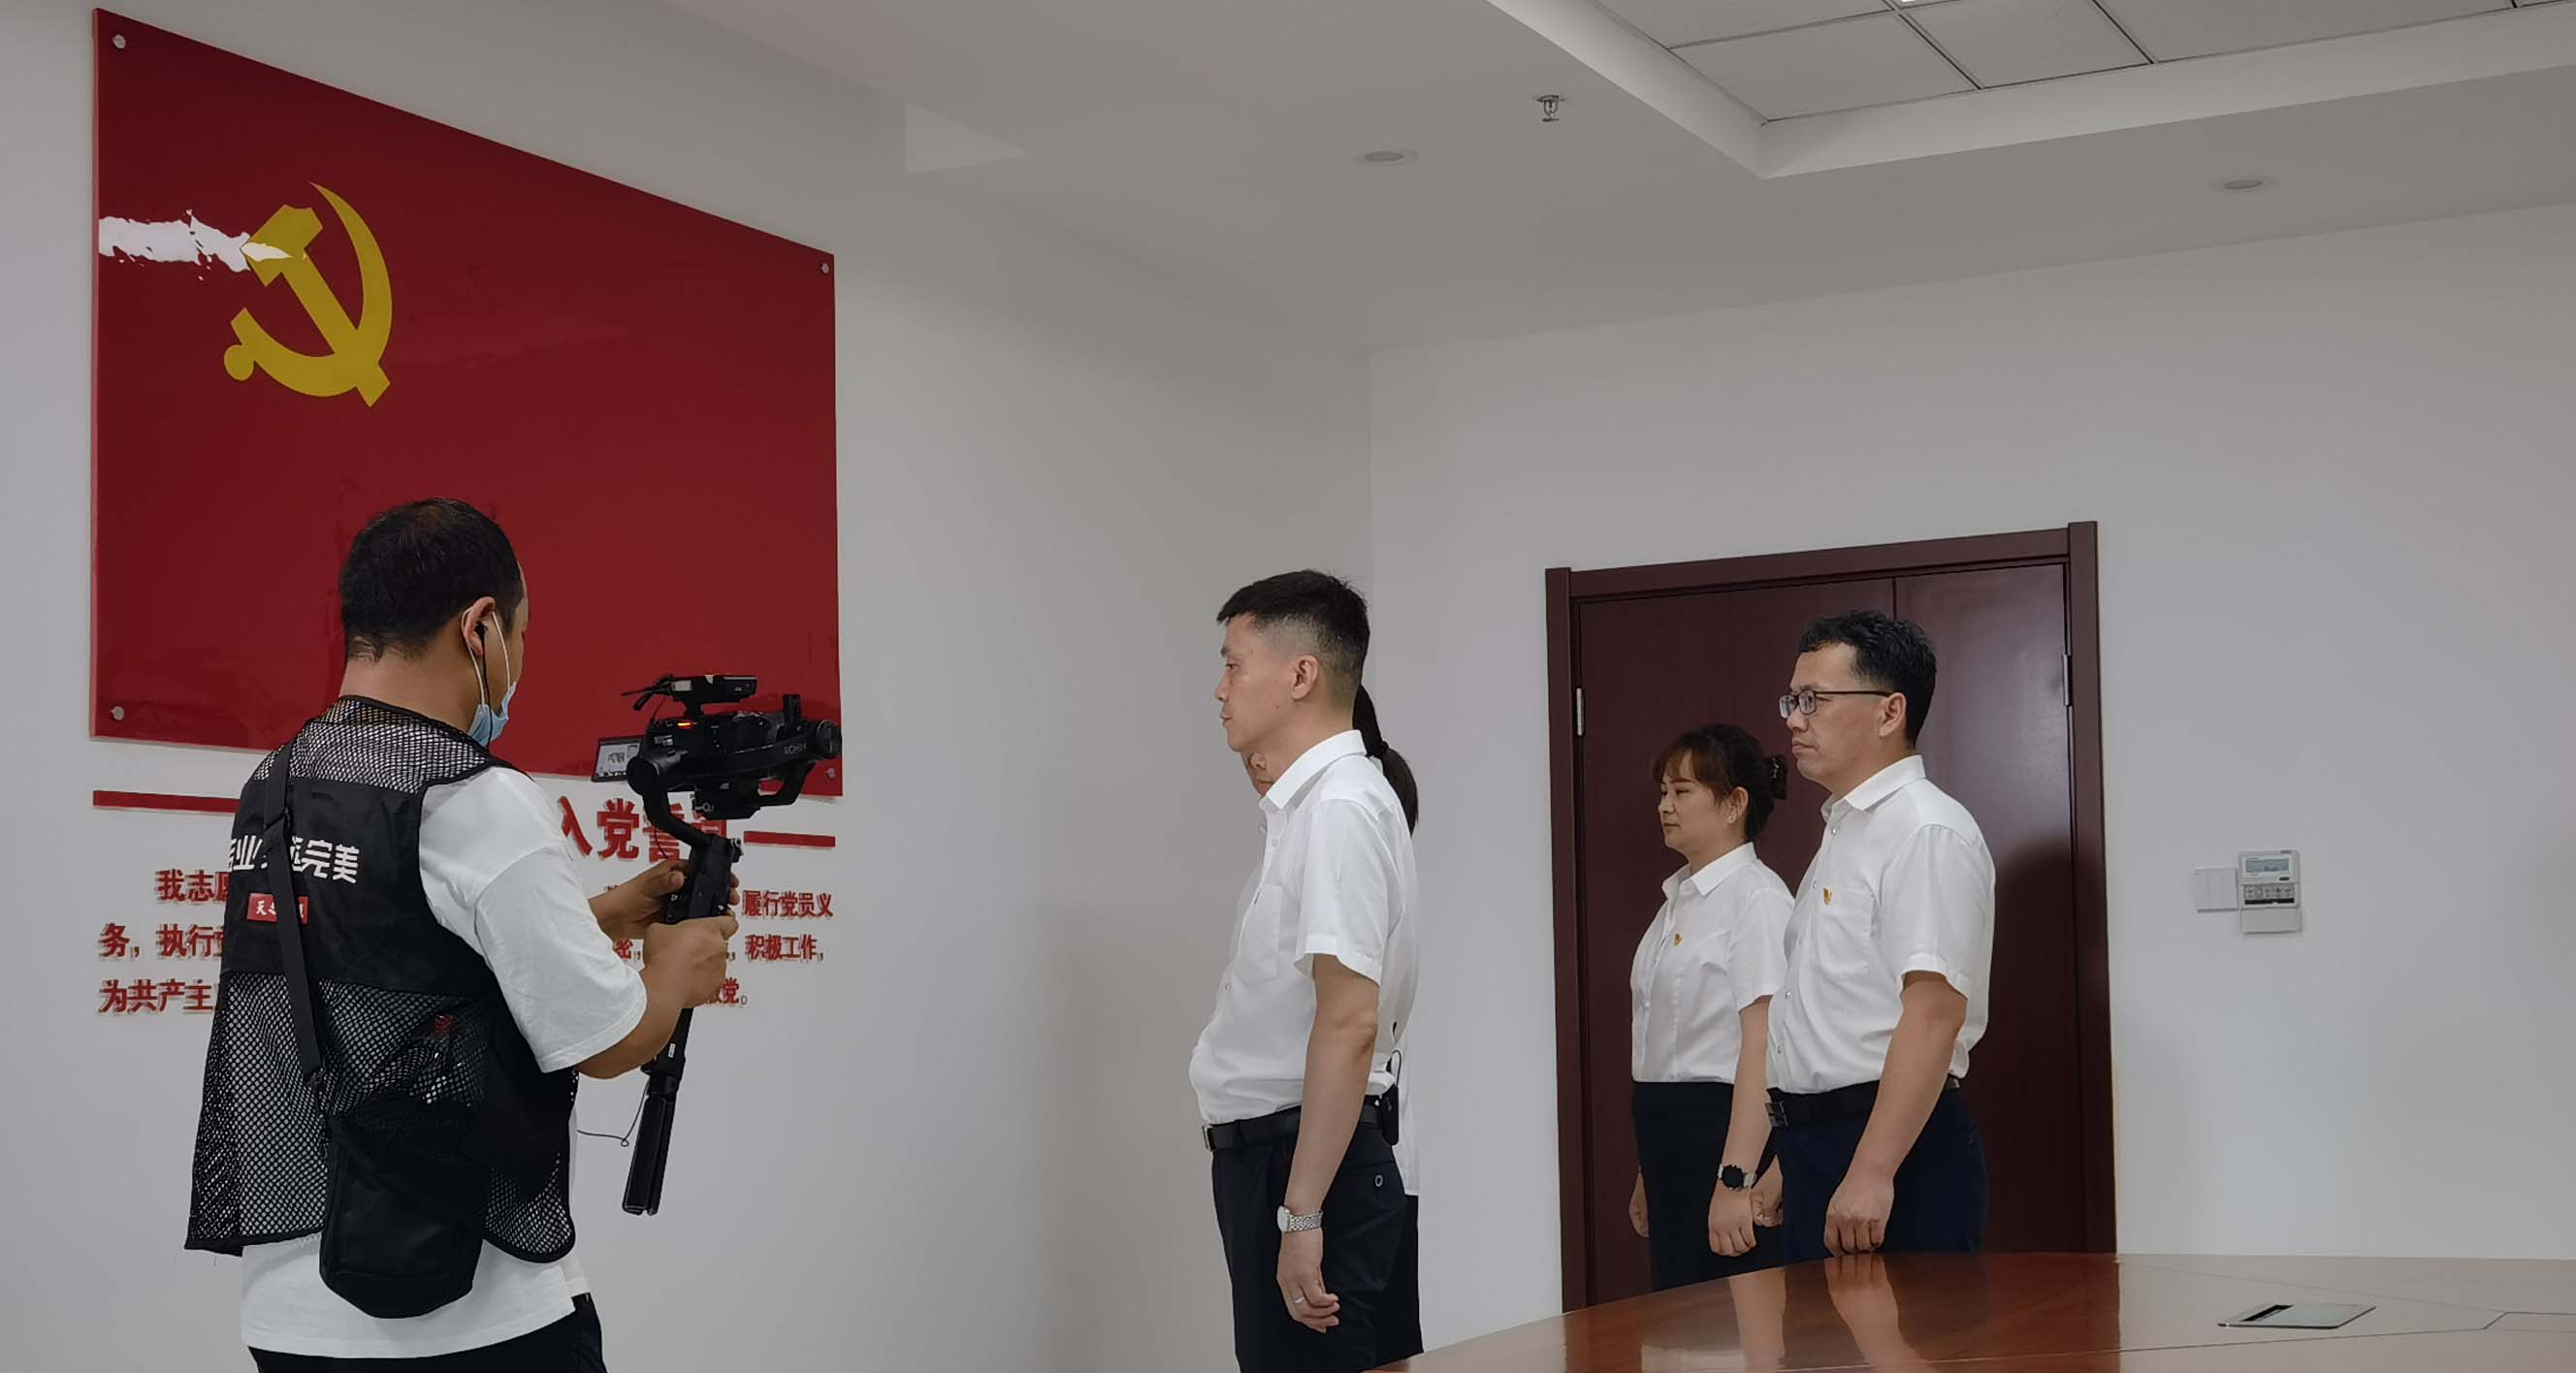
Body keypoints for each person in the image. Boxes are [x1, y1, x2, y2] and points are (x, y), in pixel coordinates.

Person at [183, 498, 735, 1369]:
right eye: (521, 634)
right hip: (464, 1309)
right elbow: (606, 1042)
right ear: (480, 629)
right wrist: (674, 969)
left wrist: (595, 917)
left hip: (290, 1313)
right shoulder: (470, 793)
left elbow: (384, 958)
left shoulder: (278, 780)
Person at [1193, 570, 1422, 1373]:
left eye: (1234, 664)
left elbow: (1350, 1022)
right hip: (1289, 1162)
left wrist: (1301, 1215)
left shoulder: (1338, 809)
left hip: (1307, 1167)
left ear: (1301, 675)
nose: (1220, 689)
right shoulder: (1315, 808)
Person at [1766, 611, 1996, 1261]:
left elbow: (1934, 1014)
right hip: (1816, 1144)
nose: (1794, 720)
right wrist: (1786, 1160)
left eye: (1814, 700)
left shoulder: (1925, 829)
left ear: (1890, 711)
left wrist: (1871, 1171)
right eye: (1792, 699)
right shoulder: (1845, 831)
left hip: (1892, 1150)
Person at [1626, 724, 1792, 1289]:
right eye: (1663, 792)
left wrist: (1735, 1178)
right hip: (1666, 1140)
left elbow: (1763, 1044)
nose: (1664, 806)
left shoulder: (1757, 899)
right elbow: (1660, 1048)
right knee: (1674, 1323)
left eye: (1682, 792)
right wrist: (1647, 1169)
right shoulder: (1675, 901)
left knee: (1732, 1322)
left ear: (1734, 804)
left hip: (1723, 1135)